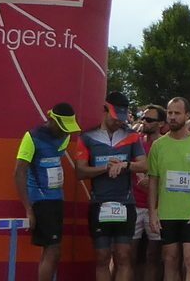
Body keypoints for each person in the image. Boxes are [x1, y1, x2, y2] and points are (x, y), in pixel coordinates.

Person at [74, 92, 147, 281]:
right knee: (102, 256)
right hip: (100, 203)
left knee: (123, 255)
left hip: (125, 203)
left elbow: (145, 165)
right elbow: (80, 171)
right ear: (105, 110)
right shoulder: (87, 137)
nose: (118, 122)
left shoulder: (132, 136)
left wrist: (125, 165)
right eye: (115, 117)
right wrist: (105, 168)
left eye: (121, 118)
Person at [14, 102, 82, 281]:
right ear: (52, 120)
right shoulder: (32, 137)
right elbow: (19, 172)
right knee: (53, 249)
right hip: (41, 199)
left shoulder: (65, 137)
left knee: (54, 250)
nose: (65, 132)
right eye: (62, 127)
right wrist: (28, 209)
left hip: (57, 198)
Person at [148, 97, 190, 281]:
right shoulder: (158, 146)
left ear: (187, 115)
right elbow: (153, 181)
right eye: (170, 113)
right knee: (170, 260)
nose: (173, 117)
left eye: (177, 113)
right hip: (167, 213)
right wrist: (153, 212)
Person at [134, 104, 168, 281]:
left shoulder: (166, 144)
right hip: (134, 204)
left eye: (149, 119)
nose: (144, 122)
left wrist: (154, 181)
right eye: (143, 118)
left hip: (157, 207)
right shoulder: (135, 141)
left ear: (161, 123)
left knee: (153, 256)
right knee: (127, 255)